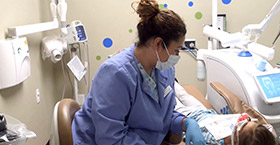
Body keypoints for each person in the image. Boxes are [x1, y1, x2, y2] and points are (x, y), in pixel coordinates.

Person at [71, 0, 205, 145]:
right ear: (158, 44)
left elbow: (163, 114)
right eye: (176, 50)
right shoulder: (115, 74)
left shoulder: (164, 69)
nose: (176, 57)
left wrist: (185, 123)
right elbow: (110, 138)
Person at [174, 82, 277, 145]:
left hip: (189, 118)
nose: (243, 120)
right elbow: (269, 130)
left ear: (235, 142)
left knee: (170, 97)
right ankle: (171, 79)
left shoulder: (212, 140)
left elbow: (189, 136)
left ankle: (161, 79)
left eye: (242, 125)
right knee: (183, 94)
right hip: (205, 112)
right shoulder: (262, 137)